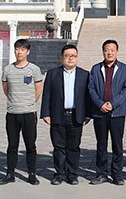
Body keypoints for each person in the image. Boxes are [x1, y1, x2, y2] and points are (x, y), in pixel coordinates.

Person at [41, 44, 90, 186]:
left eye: (73, 56)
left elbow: (87, 97)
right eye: (67, 56)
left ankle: (72, 174)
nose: (70, 58)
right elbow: (47, 94)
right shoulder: (52, 73)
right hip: (58, 115)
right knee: (58, 147)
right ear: (61, 57)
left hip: (76, 115)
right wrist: (45, 113)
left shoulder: (84, 74)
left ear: (77, 58)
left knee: (74, 147)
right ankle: (59, 174)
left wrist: (87, 115)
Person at [0, 39, 43, 185]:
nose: (19, 52)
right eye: (17, 49)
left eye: (22, 49)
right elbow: (6, 89)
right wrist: (15, 101)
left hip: (28, 113)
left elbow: (38, 90)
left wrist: (28, 103)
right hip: (12, 113)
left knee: (30, 145)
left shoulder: (34, 69)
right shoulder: (7, 70)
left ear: (28, 51)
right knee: (12, 145)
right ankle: (10, 174)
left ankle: (32, 174)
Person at [88, 39, 126, 185]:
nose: (109, 52)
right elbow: (91, 88)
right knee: (101, 144)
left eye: (112, 50)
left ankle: (117, 174)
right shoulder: (96, 69)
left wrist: (112, 104)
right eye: (107, 50)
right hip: (99, 112)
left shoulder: (124, 68)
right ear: (103, 51)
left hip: (117, 113)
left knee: (117, 144)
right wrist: (100, 104)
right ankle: (101, 173)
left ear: (117, 52)